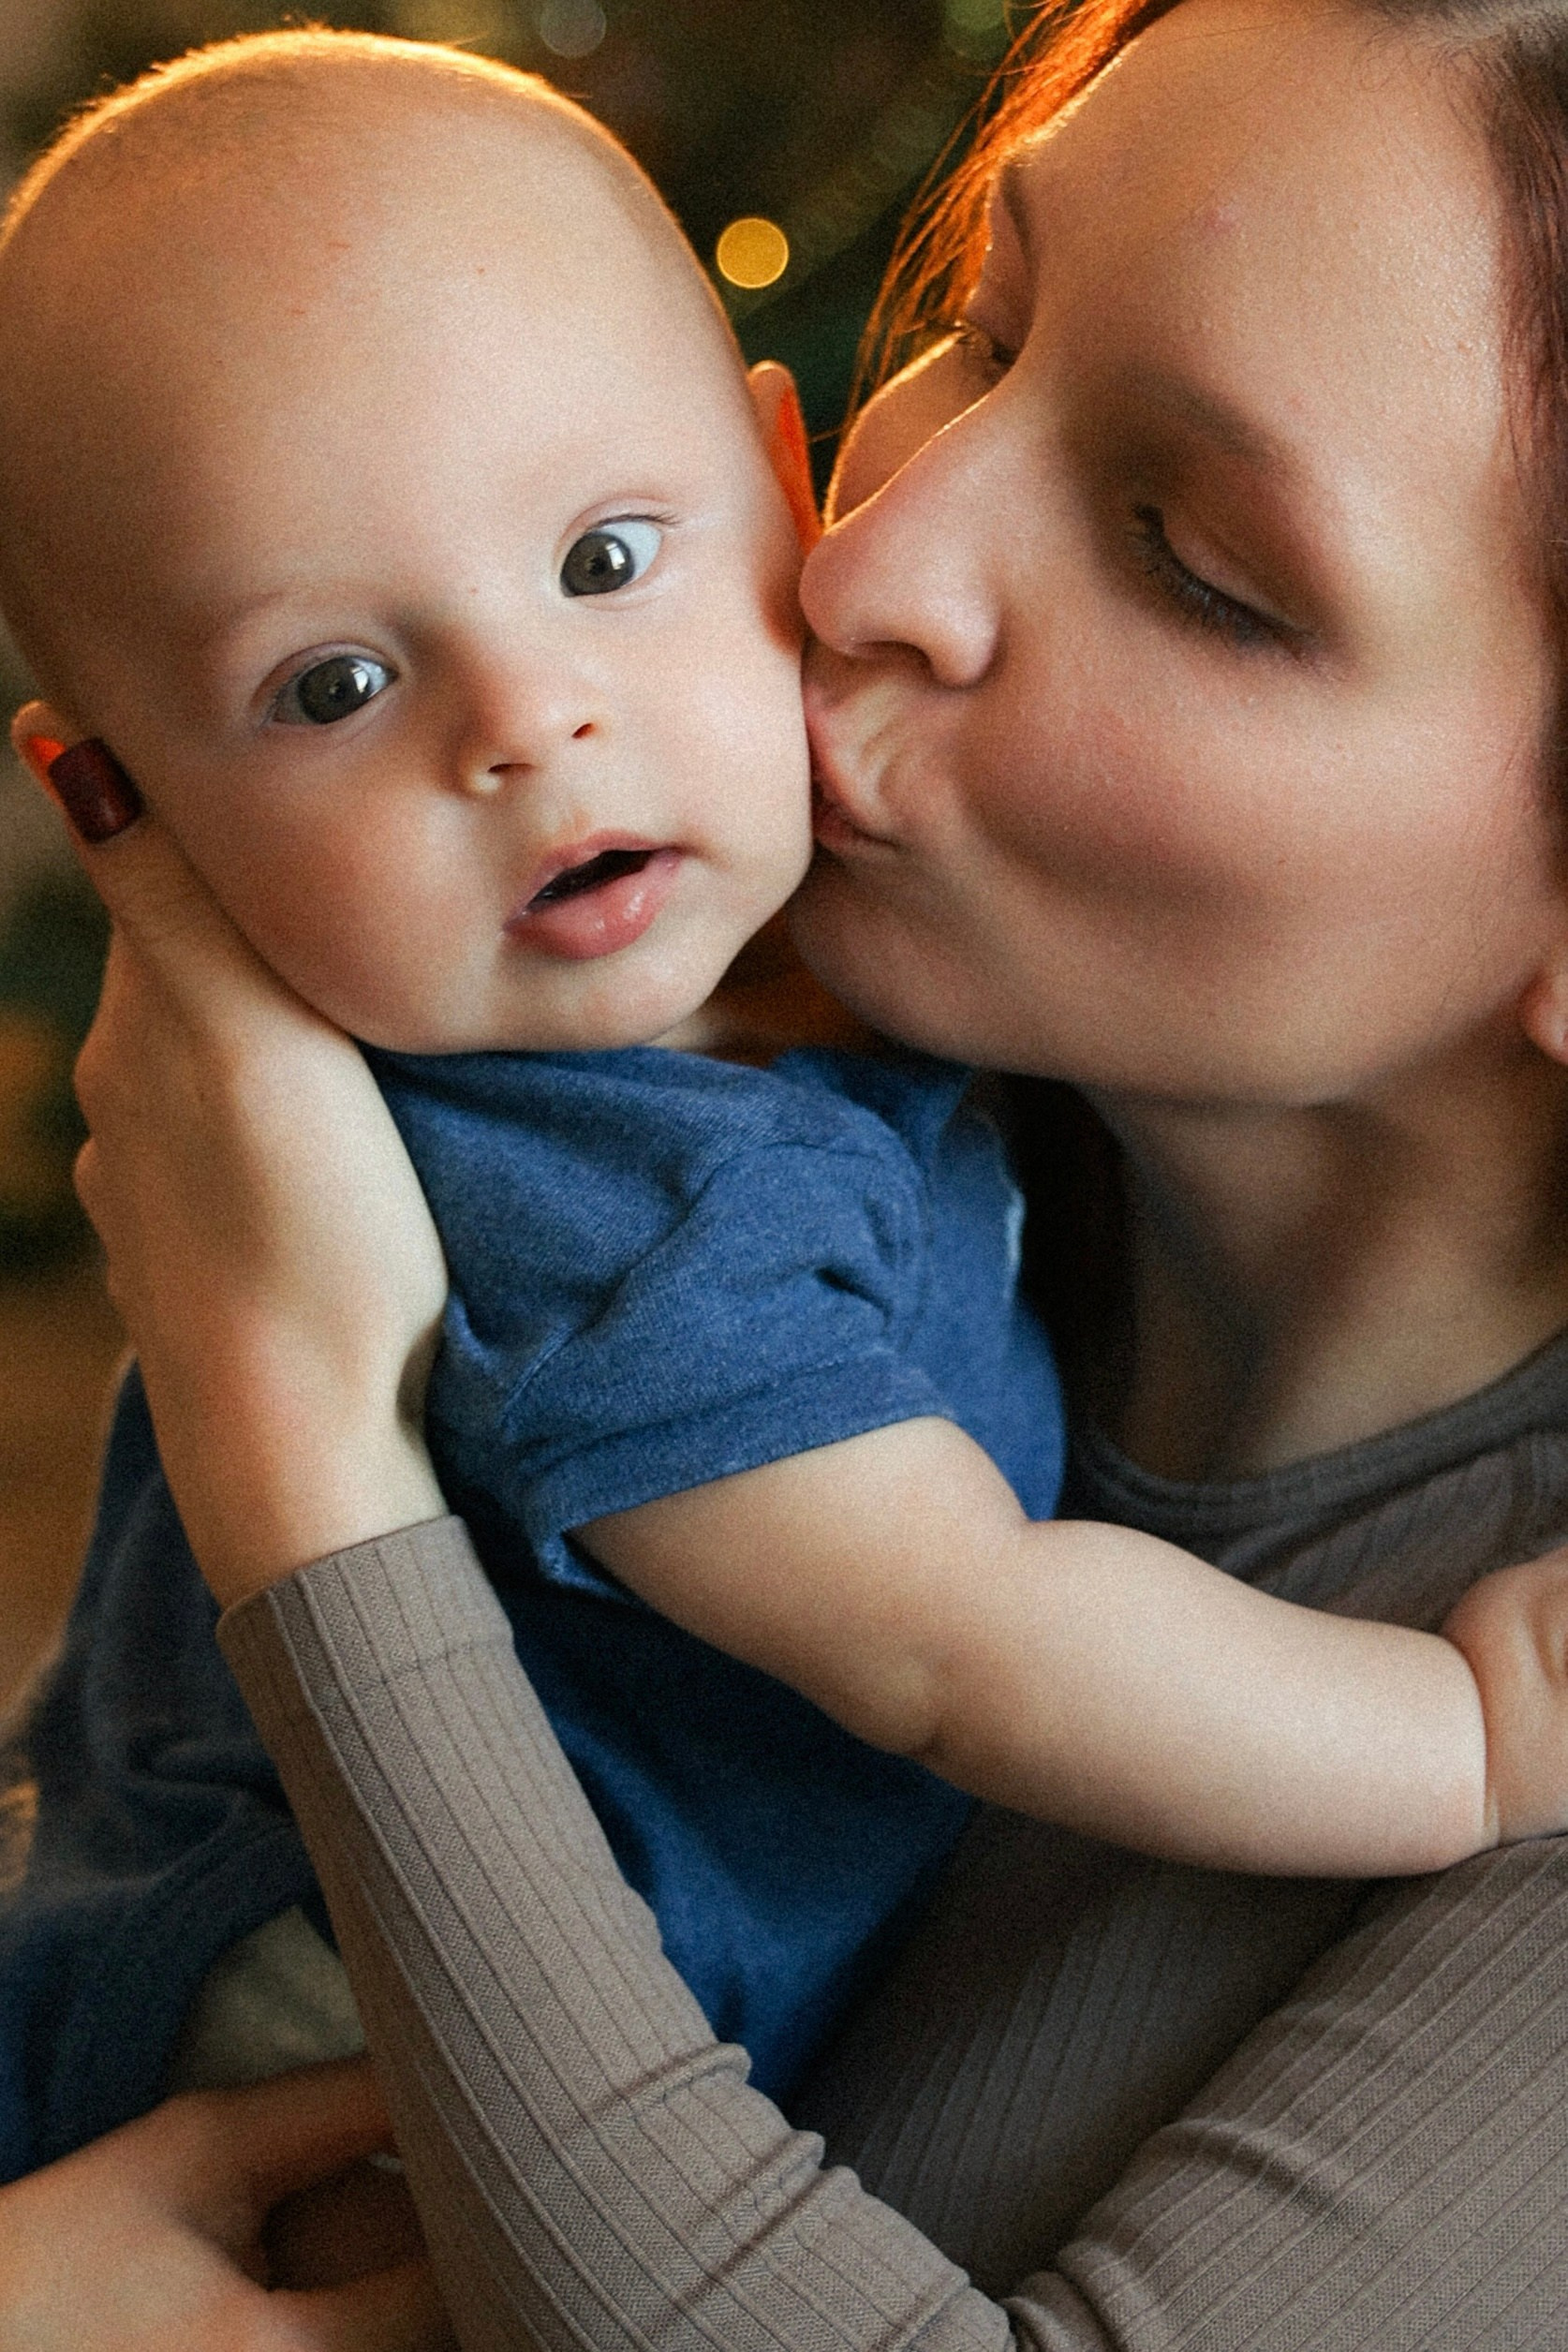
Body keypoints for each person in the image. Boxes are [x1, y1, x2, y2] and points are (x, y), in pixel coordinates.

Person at [11, 0, 1568, 2342]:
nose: (866, 558)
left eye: (1189, 556)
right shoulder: (726, 1093)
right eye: (983, 319)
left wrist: (297, 1442)